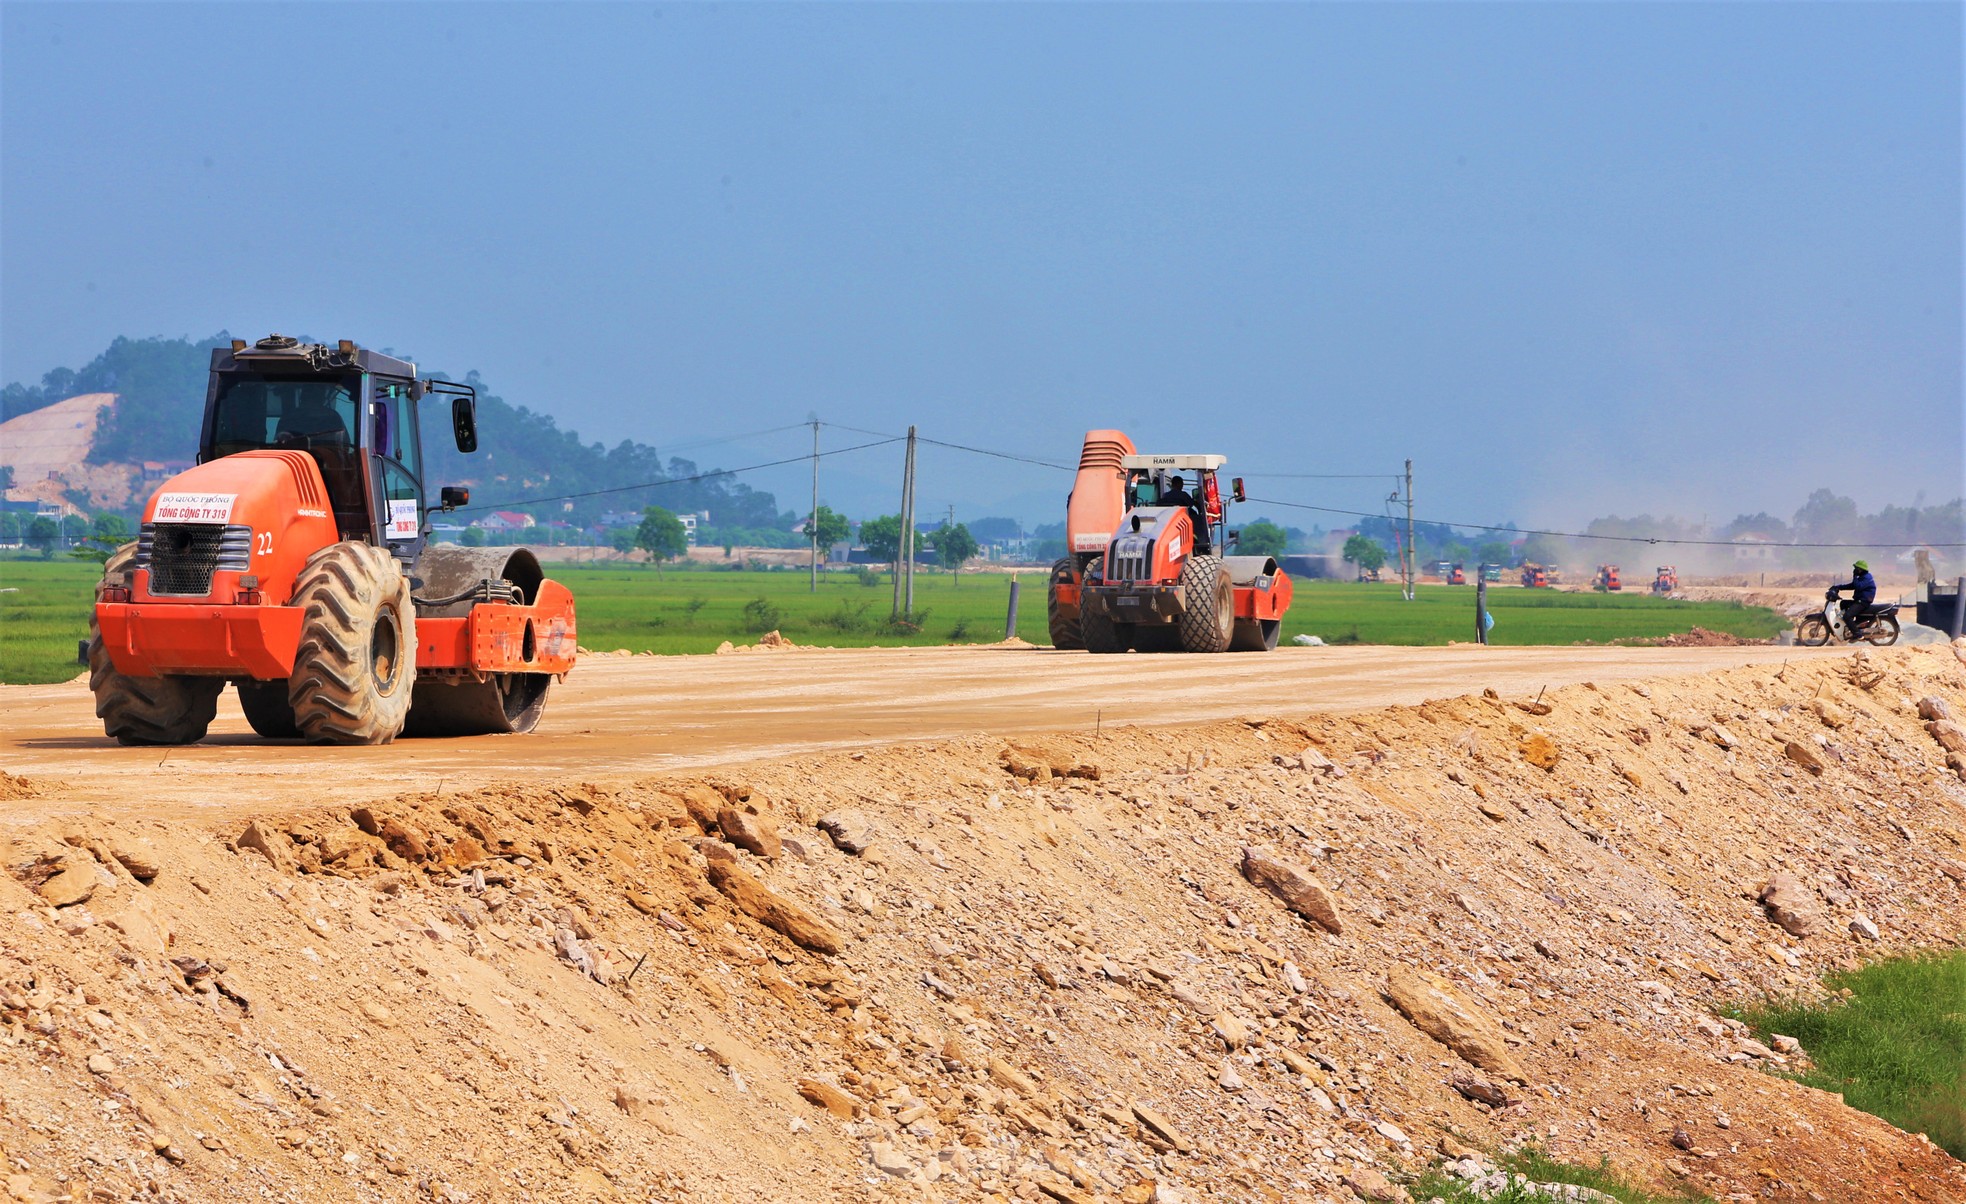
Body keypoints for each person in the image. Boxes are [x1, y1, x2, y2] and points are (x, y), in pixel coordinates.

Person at [1829, 560, 1878, 630]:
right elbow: (1852, 585)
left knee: (1847, 616)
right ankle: (1849, 624)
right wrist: (1838, 587)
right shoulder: (1862, 577)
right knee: (1843, 603)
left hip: (1863, 602)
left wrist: (1854, 576)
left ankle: (1857, 634)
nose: (1855, 570)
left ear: (1861, 569)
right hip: (1859, 601)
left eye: (1856, 569)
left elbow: (1858, 586)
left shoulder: (1867, 577)